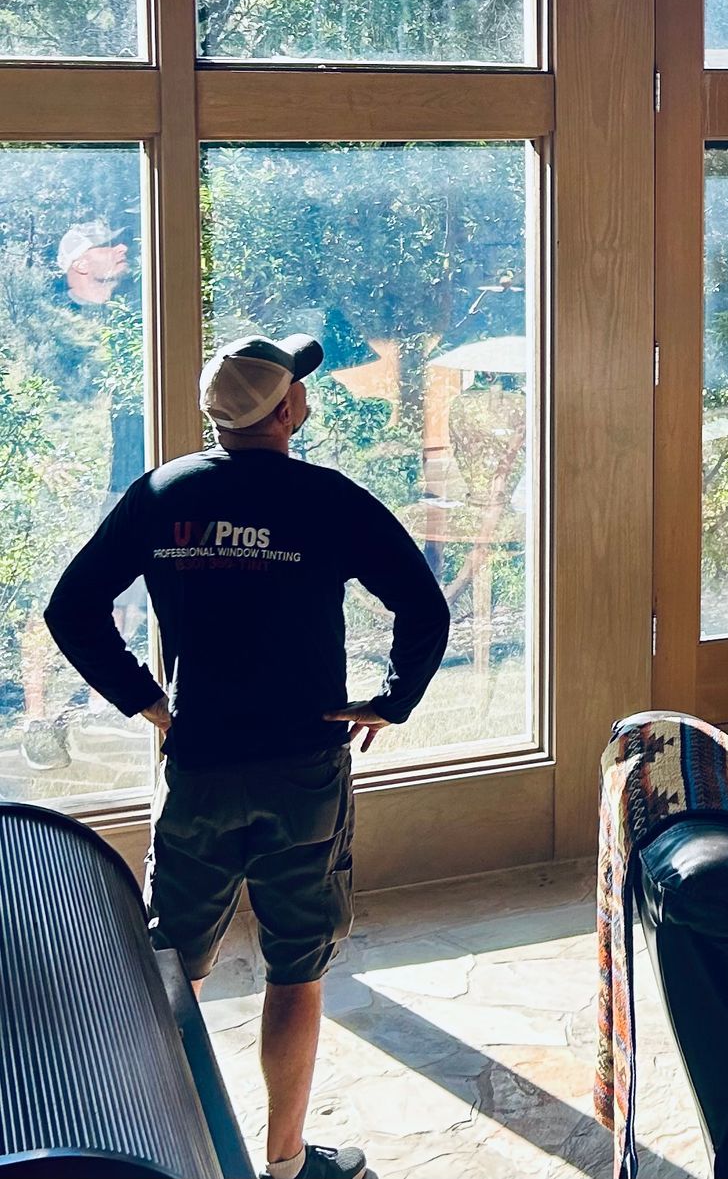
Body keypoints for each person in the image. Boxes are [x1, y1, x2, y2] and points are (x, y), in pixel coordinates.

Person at [45, 334, 452, 1179]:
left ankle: (171, 1156)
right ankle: (286, 1163)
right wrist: (391, 699)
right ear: (288, 410)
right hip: (304, 766)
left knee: (174, 973)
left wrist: (147, 700)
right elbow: (424, 606)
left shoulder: (163, 493)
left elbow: (71, 606)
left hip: (197, 763)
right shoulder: (328, 499)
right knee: (296, 968)